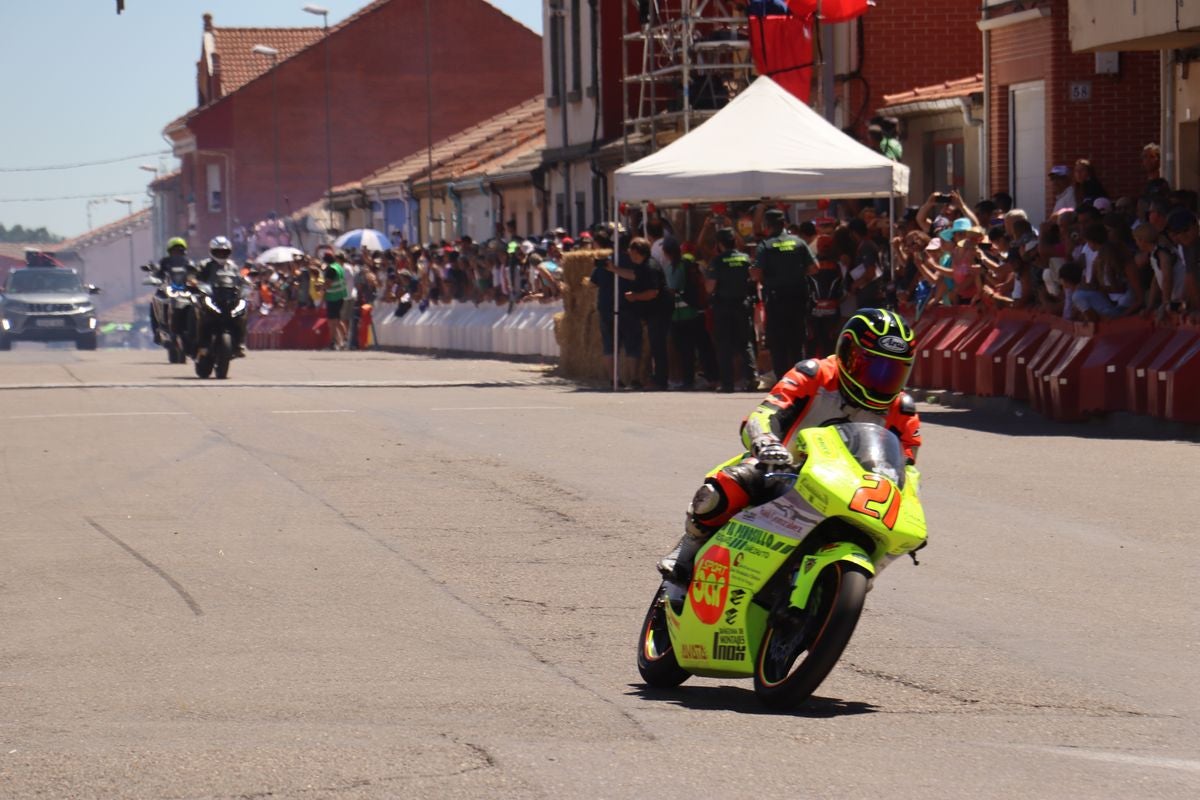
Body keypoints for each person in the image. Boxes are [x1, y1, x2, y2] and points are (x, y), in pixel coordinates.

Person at [658, 308, 922, 584]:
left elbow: (906, 468)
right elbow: (766, 413)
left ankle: (852, 580)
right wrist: (765, 441)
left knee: (888, 538)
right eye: (872, 368)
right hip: (787, 471)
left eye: (892, 372)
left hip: (852, 491)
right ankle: (687, 550)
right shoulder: (814, 374)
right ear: (846, 353)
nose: (880, 381)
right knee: (727, 487)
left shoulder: (902, 409)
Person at [754, 207, 814, 383]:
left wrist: (771, 279)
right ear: (784, 224)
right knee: (797, 342)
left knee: (777, 342)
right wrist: (795, 274)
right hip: (797, 299)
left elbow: (756, 273)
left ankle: (783, 382)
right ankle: (800, 380)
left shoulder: (765, 245)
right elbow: (814, 268)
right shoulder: (799, 243)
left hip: (776, 300)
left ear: (767, 225)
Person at [706, 227, 755, 392]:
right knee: (745, 343)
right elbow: (753, 278)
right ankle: (752, 378)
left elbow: (709, 287)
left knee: (724, 345)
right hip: (742, 304)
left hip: (723, 307)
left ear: (719, 244)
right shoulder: (746, 258)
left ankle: (727, 383)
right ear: (735, 241)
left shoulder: (717, 261)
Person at [321, 249, 349, 350]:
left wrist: (321, 287)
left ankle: (333, 342)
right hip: (340, 296)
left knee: (332, 321)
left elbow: (328, 284)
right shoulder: (338, 267)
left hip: (333, 297)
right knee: (336, 320)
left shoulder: (331, 269)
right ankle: (343, 339)